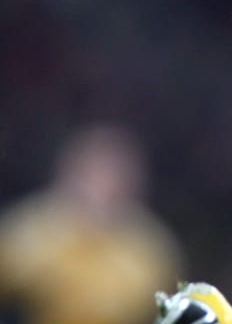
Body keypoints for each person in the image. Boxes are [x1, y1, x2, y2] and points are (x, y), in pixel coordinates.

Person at [0, 124, 184, 324]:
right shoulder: (31, 229)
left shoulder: (150, 249)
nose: (98, 191)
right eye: (90, 177)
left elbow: (165, 307)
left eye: (112, 181)